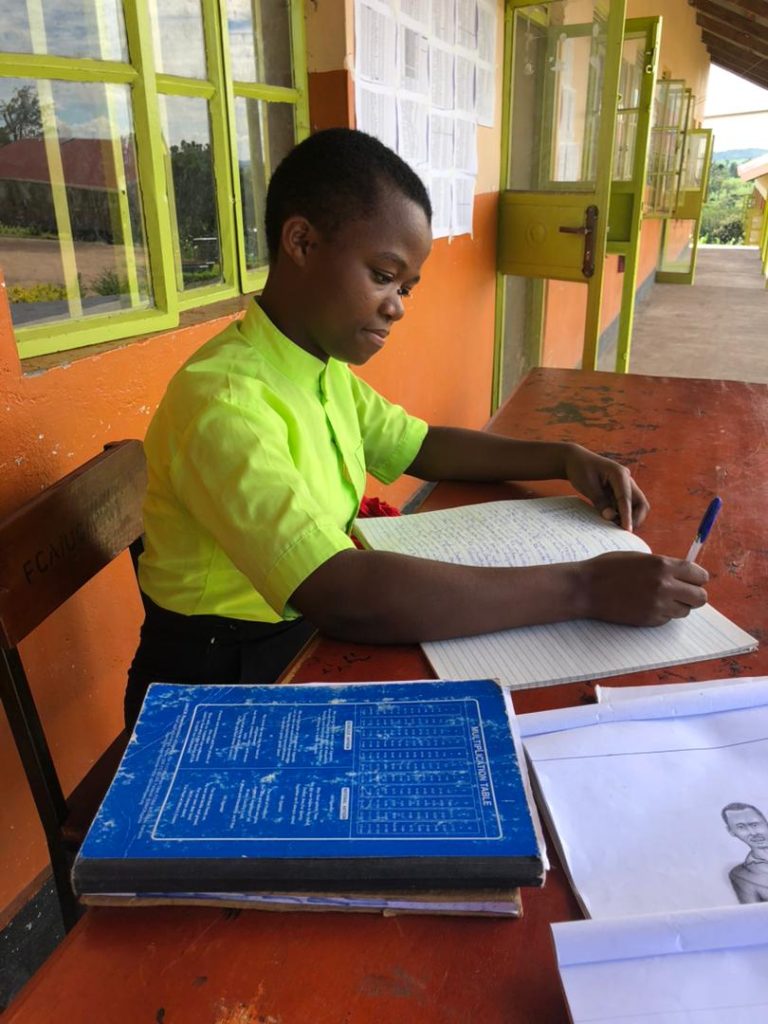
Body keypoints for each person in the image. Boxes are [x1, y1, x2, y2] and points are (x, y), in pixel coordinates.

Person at [125, 128, 709, 726]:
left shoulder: (314, 369)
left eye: (405, 288)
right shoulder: (225, 402)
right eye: (382, 275)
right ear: (300, 241)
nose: (398, 306)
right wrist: (586, 589)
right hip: (215, 683)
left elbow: (423, 446)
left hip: (299, 640)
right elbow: (341, 592)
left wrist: (563, 457)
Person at [722, 803, 768, 903]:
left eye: (755, 825)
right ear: (731, 831)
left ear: (766, 822)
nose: (753, 833)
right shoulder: (740, 874)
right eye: (741, 827)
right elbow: (753, 914)